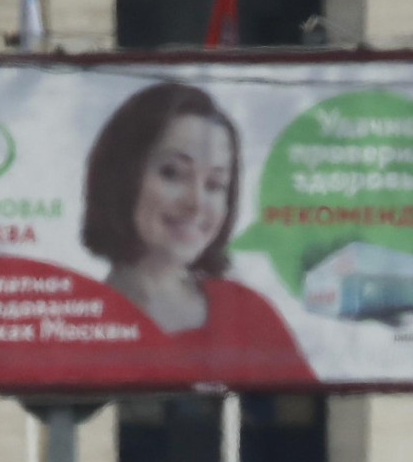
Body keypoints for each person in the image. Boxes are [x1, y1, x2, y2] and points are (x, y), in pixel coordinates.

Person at [81, 82, 315, 383]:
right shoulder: (76, 322)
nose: (196, 204)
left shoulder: (247, 315)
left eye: (215, 185)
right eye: (172, 173)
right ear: (120, 175)